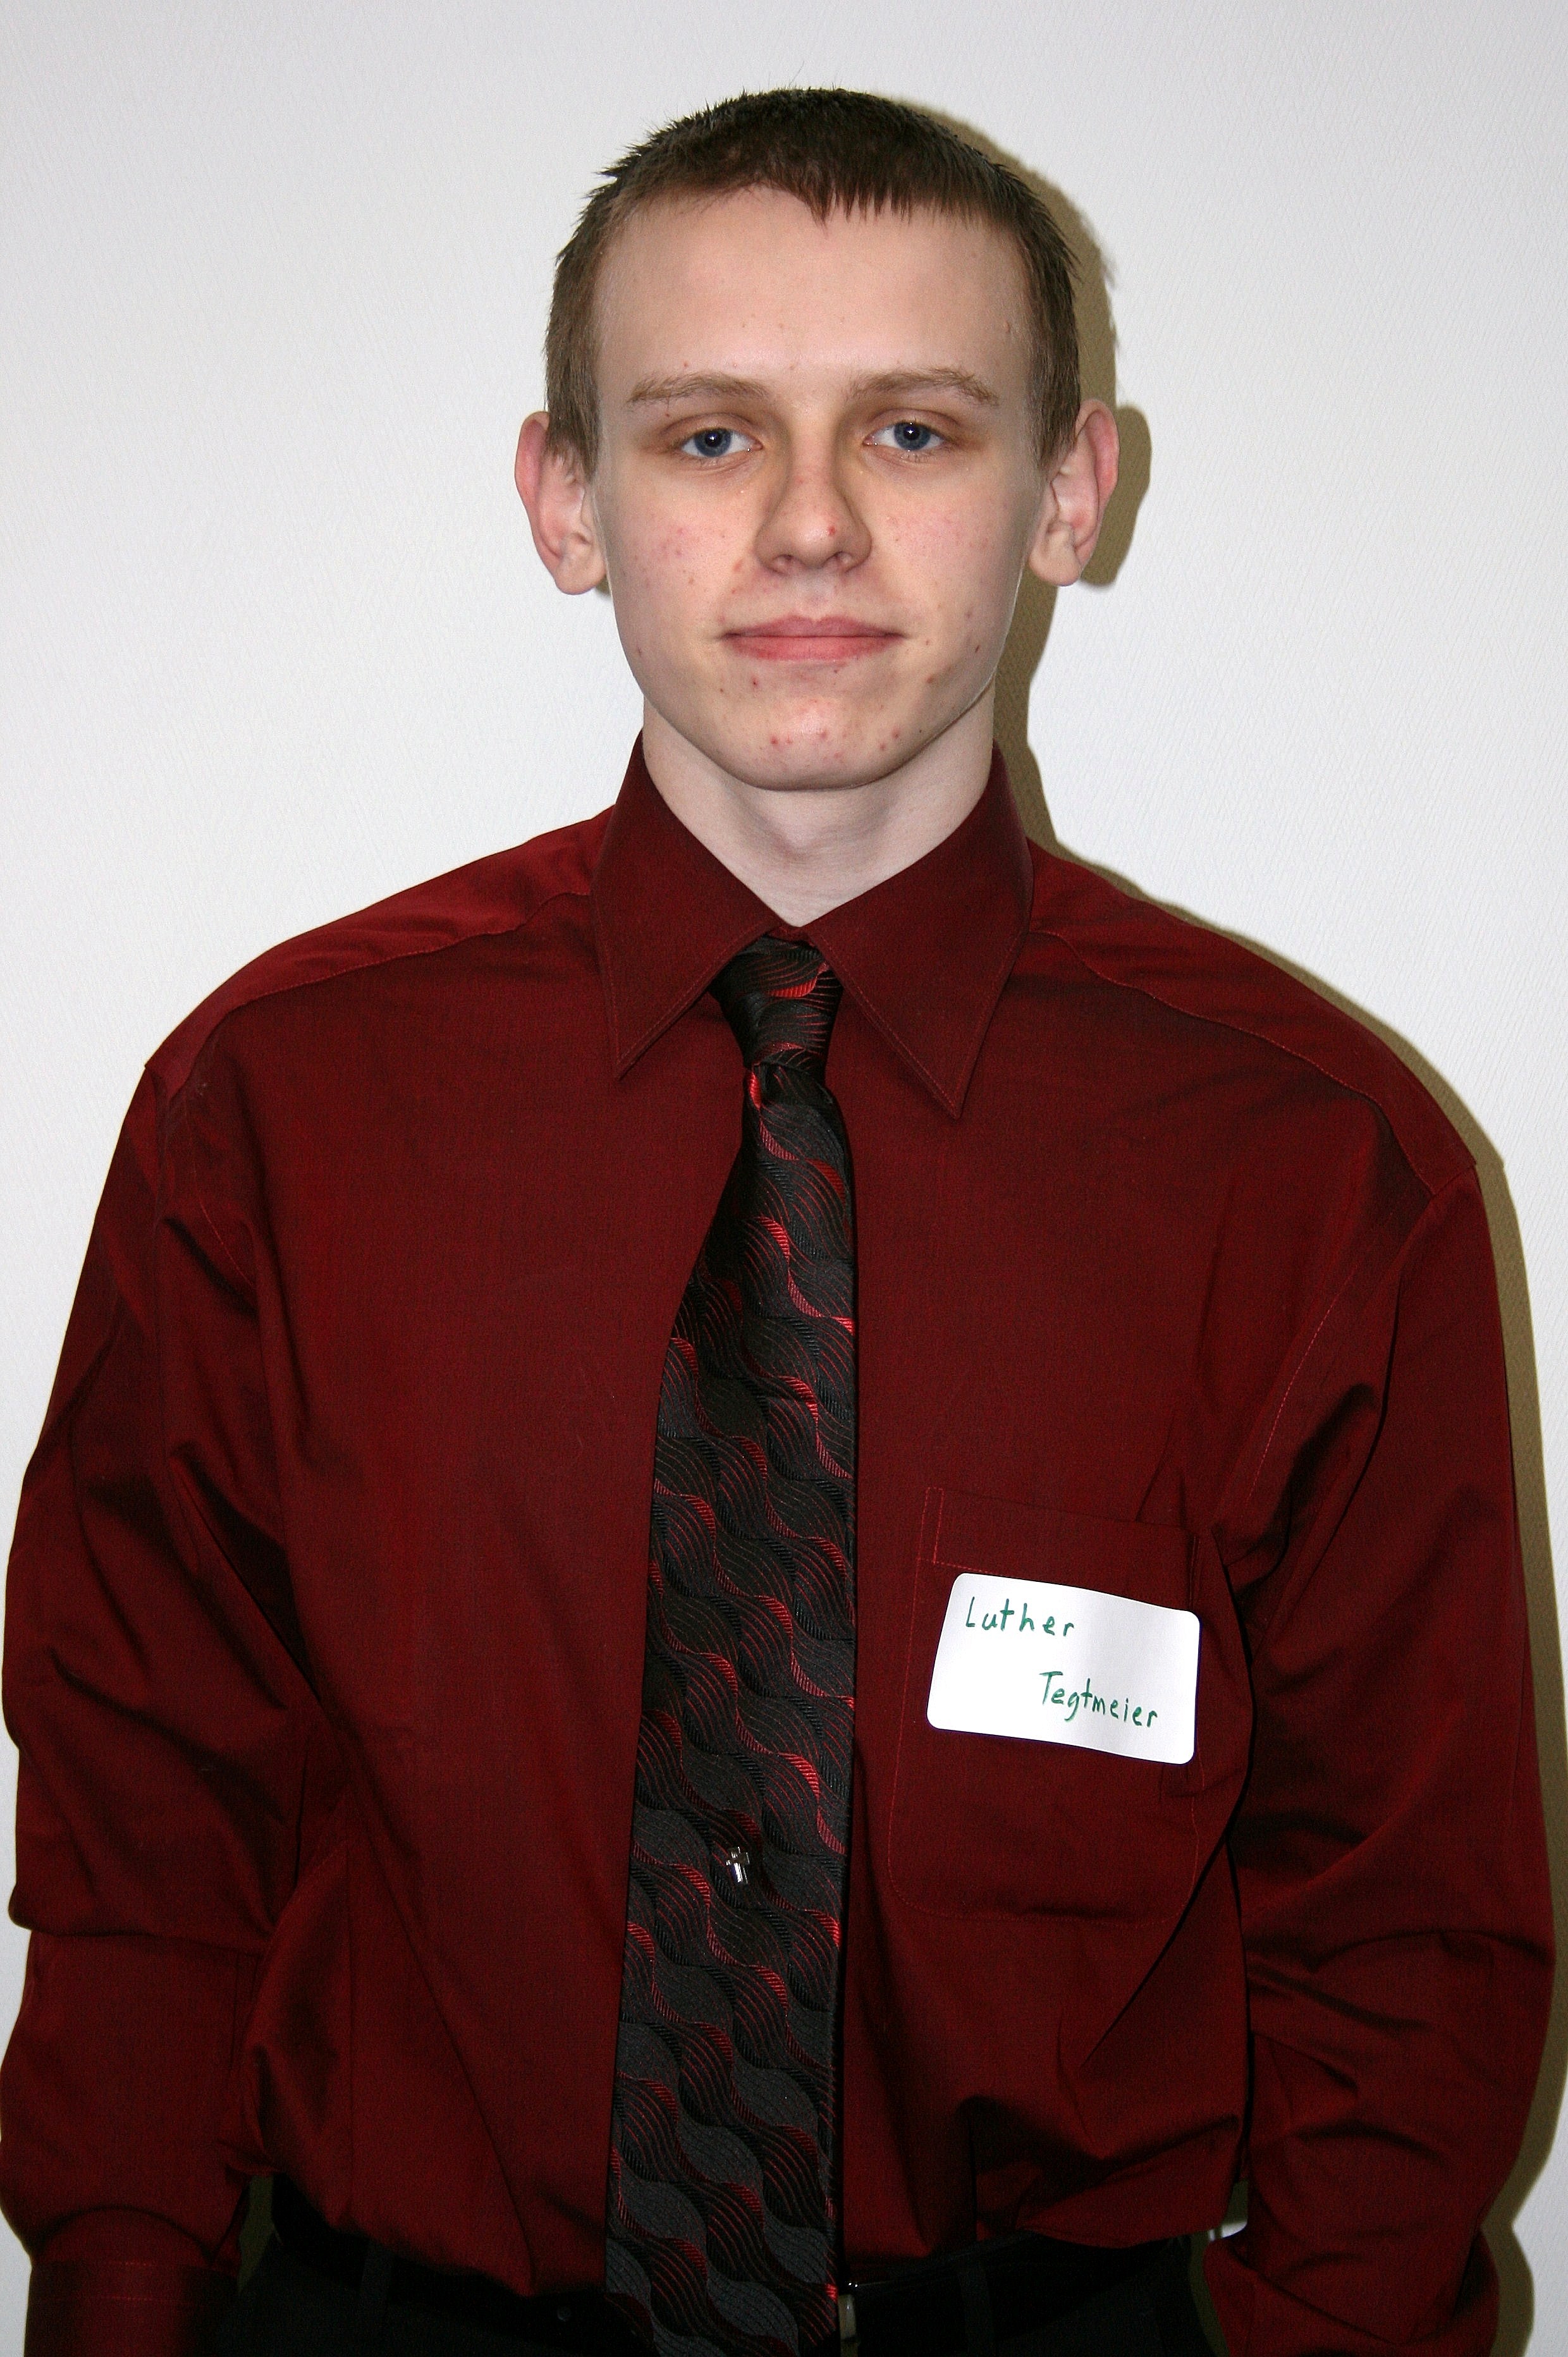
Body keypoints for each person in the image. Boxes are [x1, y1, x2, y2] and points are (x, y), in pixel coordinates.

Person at [0, 85, 1551, 2357]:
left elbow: (1406, 1936)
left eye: (914, 432)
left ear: (1071, 489)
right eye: (708, 437)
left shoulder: (1315, 1165)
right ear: (564, 498)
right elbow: (151, 1831)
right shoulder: (282, 1112)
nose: (812, 527)